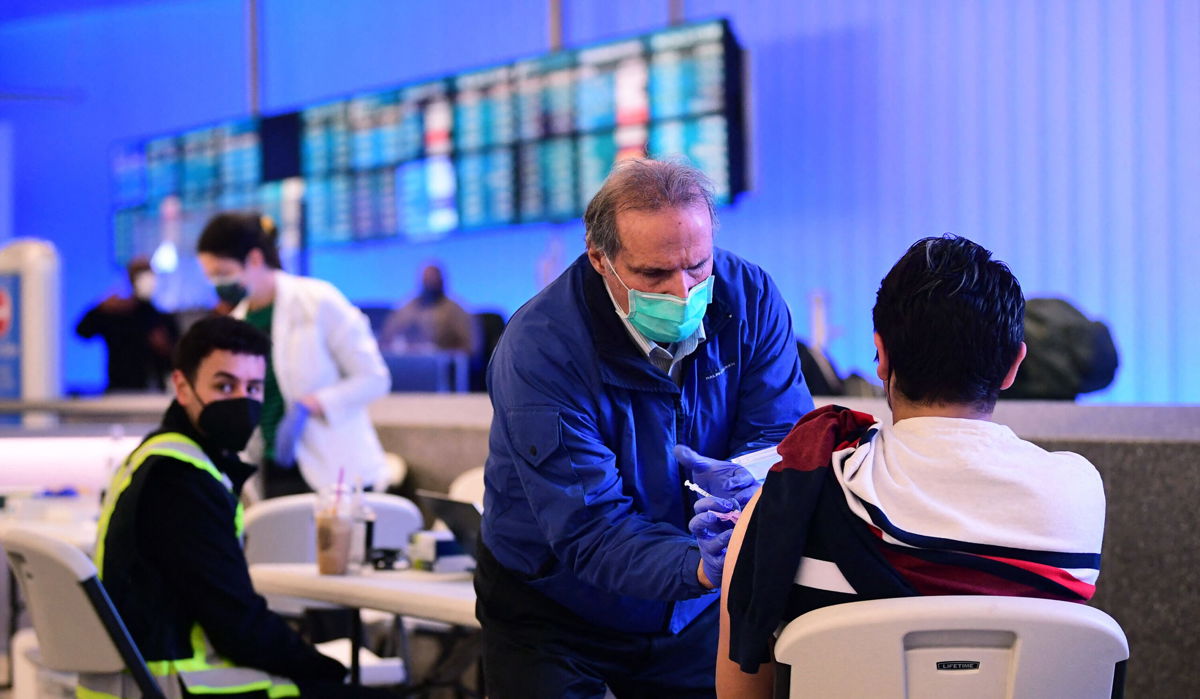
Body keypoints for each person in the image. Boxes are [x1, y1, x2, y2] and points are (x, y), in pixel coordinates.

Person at [714, 235, 1106, 697]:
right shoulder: (1076, 492)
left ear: (880, 355)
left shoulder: (795, 493)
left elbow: (740, 687)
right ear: (1013, 365)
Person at [477, 158, 812, 698]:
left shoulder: (749, 299)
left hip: (697, 612)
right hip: (556, 615)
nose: (683, 294)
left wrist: (751, 494)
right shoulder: (541, 349)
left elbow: (781, 440)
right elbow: (590, 528)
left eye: (698, 266)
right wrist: (700, 564)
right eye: (653, 276)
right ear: (599, 258)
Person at [82, 316, 390, 698]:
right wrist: (324, 669)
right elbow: (238, 626)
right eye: (225, 385)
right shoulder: (180, 479)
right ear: (182, 387)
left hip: (139, 682)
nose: (242, 400)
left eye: (254, 387)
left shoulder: (160, 456)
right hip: (175, 685)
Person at [196, 212, 390, 498]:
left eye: (223, 273)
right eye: (211, 276)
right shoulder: (235, 325)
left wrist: (310, 406)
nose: (218, 283)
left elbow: (375, 379)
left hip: (336, 472)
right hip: (272, 473)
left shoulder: (317, 301)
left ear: (254, 259)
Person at [75, 256, 177, 391]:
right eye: (140, 272)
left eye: (148, 272)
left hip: (153, 394)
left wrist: (165, 348)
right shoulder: (115, 314)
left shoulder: (161, 319)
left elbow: (177, 360)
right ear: (130, 278)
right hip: (119, 392)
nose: (146, 279)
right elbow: (82, 331)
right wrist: (99, 308)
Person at [378, 263, 475, 354]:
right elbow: (386, 338)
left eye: (433, 280)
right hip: (411, 363)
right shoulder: (408, 308)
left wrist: (443, 352)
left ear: (441, 281)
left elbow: (469, 347)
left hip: (442, 365)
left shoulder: (455, 310)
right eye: (426, 280)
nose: (430, 283)